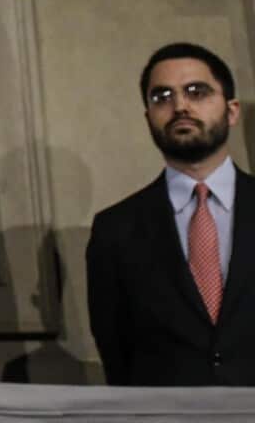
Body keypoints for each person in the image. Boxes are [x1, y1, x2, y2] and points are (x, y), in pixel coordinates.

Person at [87, 42, 255, 385]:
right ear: (148, 118)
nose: (180, 106)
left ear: (232, 110)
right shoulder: (115, 229)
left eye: (197, 92)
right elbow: (117, 354)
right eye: (161, 97)